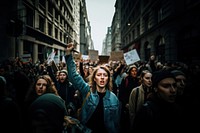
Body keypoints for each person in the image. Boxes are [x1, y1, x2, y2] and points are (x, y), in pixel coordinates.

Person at [64, 42, 120, 133]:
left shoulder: (114, 98)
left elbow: (116, 122)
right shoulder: (87, 91)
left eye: (105, 75)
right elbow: (74, 76)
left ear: (108, 79)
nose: (102, 77)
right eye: (99, 75)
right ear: (94, 78)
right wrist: (68, 55)